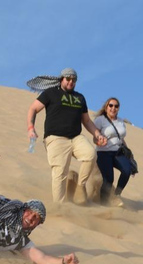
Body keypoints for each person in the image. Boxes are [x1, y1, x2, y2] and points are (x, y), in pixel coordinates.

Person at [26, 68, 107, 204]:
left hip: (76, 137)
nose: (71, 82)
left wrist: (97, 134)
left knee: (91, 154)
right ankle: (60, 207)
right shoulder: (50, 93)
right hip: (56, 138)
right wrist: (30, 128)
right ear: (61, 79)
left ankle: (80, 188)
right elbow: (33, 108)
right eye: (68, 79)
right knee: (60, 172)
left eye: (74, 80)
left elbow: (86, 121)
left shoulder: (79, 98)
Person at [93, 97, 136, 206]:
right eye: (111, 105)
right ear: (106, 107)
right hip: (103, 152)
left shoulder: (121, 122)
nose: (113, 108)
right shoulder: (100, 120)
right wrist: (98, 142)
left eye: (116, 106)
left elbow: (121, 138)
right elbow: (94, 136)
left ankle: (116, 195)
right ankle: (103, 204)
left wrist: (129, 154)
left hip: (118, 152)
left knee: (127, 170)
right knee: (108, 180)